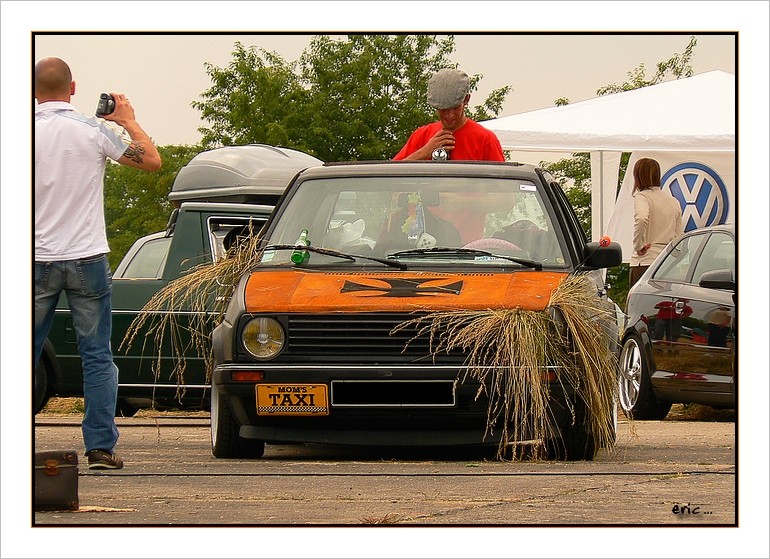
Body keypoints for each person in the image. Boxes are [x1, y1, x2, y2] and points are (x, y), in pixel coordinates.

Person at [34, 57, 162, 469]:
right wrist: (128, 120)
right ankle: (100, 448)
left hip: (34, 258)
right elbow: (151, 161)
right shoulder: (93, 129)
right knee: (96, 355)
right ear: (72, 89)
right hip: (87, 256)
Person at [393, 68, 505, 162]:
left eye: (455, 108)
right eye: (443, 109)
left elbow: (501, 184)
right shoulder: (421, 136)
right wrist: (424, 152)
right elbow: (391, 175)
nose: (449, 115)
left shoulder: (486, 140)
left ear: (466, 100)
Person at [629, 158, 683, 288]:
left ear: (638, 176)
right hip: (668, 264)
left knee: (639, 305)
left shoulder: (642, 197)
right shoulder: (673, 201)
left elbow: (641, 218)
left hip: (646, 262)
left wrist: (638, 245)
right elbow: (679, 235)